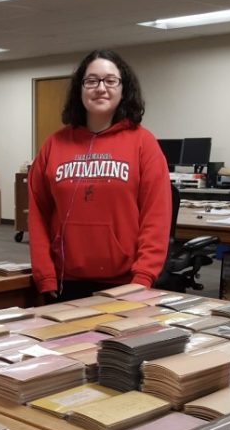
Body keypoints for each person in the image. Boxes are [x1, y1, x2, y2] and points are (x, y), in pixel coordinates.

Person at [28, 49, 172, 300]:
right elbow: (38, 214)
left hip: (126, 284)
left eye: (110, 80)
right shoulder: (54, 144)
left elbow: (156, 216)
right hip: (64, 281)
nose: (100, 88)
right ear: (80, 89)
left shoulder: (143, 143)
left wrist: (143, 278)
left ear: (123, 88)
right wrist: (45, 274)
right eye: (91, 80)